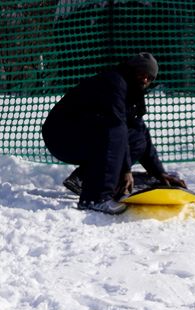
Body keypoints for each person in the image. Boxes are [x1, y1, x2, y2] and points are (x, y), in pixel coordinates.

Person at [42, 52, 185, 215]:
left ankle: (85, 179)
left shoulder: (132, 92)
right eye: (142, 74)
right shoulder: (114, 83)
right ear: (132, 70)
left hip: (84, 133)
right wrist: (125, 170)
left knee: (137, 138)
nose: (145, 80)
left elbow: (139, 131)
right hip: (61, 136)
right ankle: (94, 198)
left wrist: (159, 173)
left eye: (149, 77)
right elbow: (116, 127)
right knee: (115, 130)